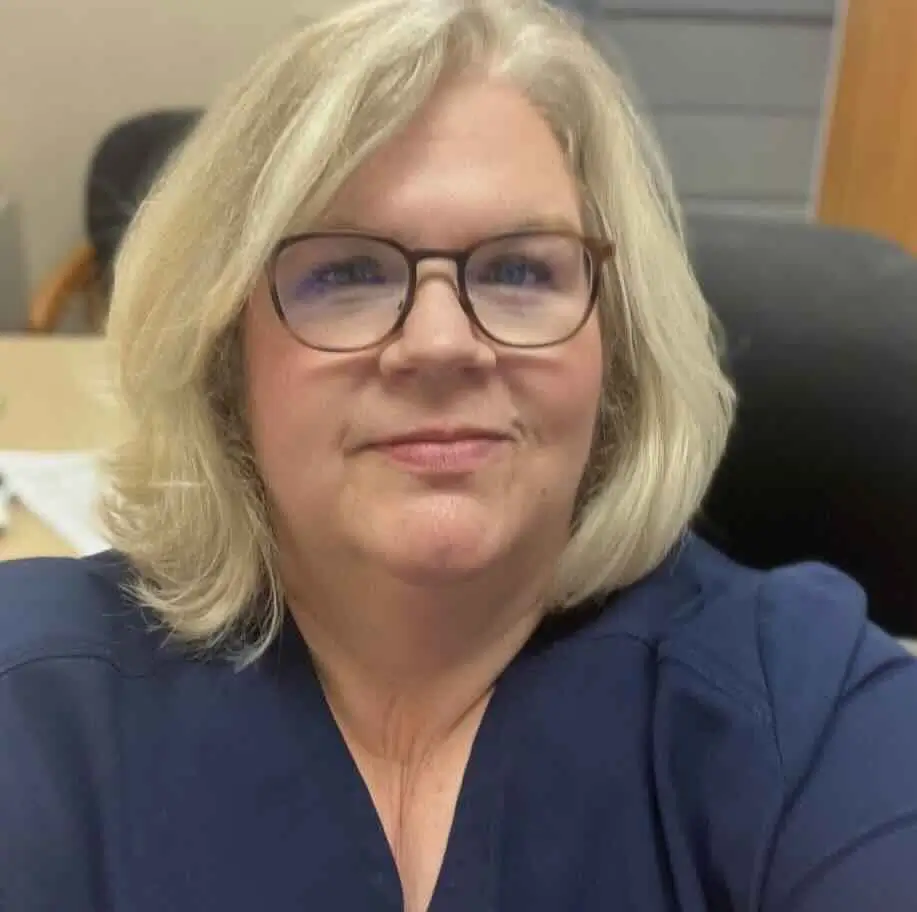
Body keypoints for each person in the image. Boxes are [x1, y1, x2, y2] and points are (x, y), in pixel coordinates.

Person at [2, 1, 916, 909]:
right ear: (225, 355)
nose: (440, 345)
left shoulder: (806, 711)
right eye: (345, 273)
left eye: (520, 270)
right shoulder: (35, 702)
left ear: (615, 343)